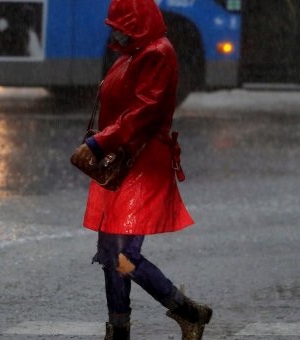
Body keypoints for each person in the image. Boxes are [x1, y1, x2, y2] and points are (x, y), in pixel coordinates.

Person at [70, 0, 212, 339]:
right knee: (111, 255)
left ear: (137, 24)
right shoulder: (133, 54)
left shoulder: (156, 54)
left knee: (122, 254)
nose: (114, 30)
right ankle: (123, 326)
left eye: (120, 25)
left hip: (141, 166)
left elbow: (144, 112)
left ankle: (186, 311)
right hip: (122, 166)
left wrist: (98, 143)